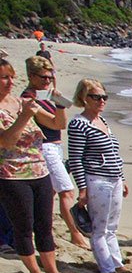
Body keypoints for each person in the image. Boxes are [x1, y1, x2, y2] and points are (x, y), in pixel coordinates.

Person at [0, 57, 64, 273]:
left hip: (39, 170)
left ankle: (53, 271)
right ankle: (35, 271)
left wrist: (61, 104)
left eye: (11, 77)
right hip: (12, 174)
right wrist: (25, 115)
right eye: (4, 78)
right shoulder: (18, 109)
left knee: (45, 224)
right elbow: (6, 141)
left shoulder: (21, 101)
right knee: (24, 226)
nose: (9, 82)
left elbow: (57, 124)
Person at [22, 56, 89, 249]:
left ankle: (46, 232)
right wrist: (60, 104)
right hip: (45, 147)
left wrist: (56, 98)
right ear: (31, 76)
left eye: (50, 77)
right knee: (66, 190)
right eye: (43, 77)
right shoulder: (29, 98)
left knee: (49, 193)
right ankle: (75, 234)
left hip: (55, 147)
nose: (47, 81)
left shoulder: (46, 94)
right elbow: (58, 124)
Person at [68, 79, 128, 273]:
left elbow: (114, 153)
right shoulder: (79, 124)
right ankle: (107, 267)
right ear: (84, 98)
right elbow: (75, 159)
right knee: (99, 227)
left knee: (112, 226)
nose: (101, 101)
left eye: (104, 97)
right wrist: (82, 189)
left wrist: (122, 177)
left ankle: (116, 262)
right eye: (96, 97)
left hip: (114, 179)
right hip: (97, 180)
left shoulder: (103, 121)